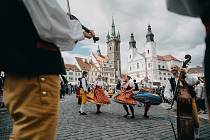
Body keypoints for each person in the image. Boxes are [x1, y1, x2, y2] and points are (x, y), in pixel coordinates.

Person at [0, 1, 95, 139]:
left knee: (24, 133)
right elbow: (51, 24)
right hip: (38, 72)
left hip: (18, 73)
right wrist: (79, 31)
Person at [166, 0, 210, 120]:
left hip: (189, 99)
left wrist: (185, 75)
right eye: (172, 68)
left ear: (179, 68)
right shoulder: (170, 79)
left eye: (175, 68)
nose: (174, 70)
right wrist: (170, 98)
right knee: (181, 120)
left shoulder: (184, 75)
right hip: (178, 102)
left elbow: (195, 81)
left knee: (194, 120)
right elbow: (167, 90)